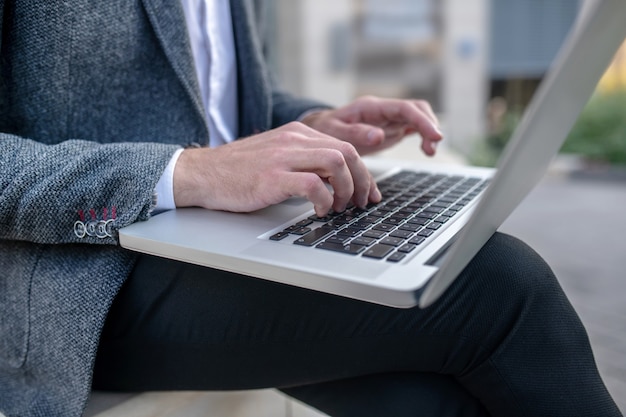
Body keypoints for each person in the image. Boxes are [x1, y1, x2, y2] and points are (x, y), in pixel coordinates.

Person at [0, 1, 621, 417]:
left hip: (229, 232)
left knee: (431, 401)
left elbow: (223, 106)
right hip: (78, 276)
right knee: (496, 285)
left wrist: (310, 125)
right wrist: (189, 171)